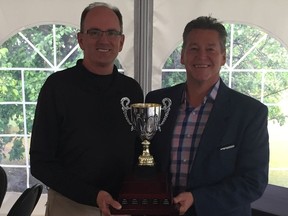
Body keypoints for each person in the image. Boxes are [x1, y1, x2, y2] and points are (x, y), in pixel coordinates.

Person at [145, 16, 269, 216]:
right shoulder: (157, 102)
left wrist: (197, 199)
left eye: (210, 49)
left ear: (223, 57)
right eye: (193, 49)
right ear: (182, 56)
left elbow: (253, 182)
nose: (201, 56)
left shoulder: (250, 112)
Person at [29, 2, 143, 216]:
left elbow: (139, 151)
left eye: (111, 33)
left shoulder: (132, 90)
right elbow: (40, 162)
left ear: (121, 41)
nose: (104, 40)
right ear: (80, 39)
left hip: (122, 206)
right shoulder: (57, 87)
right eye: (94, 32)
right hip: (71, 206)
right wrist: (93, 195)